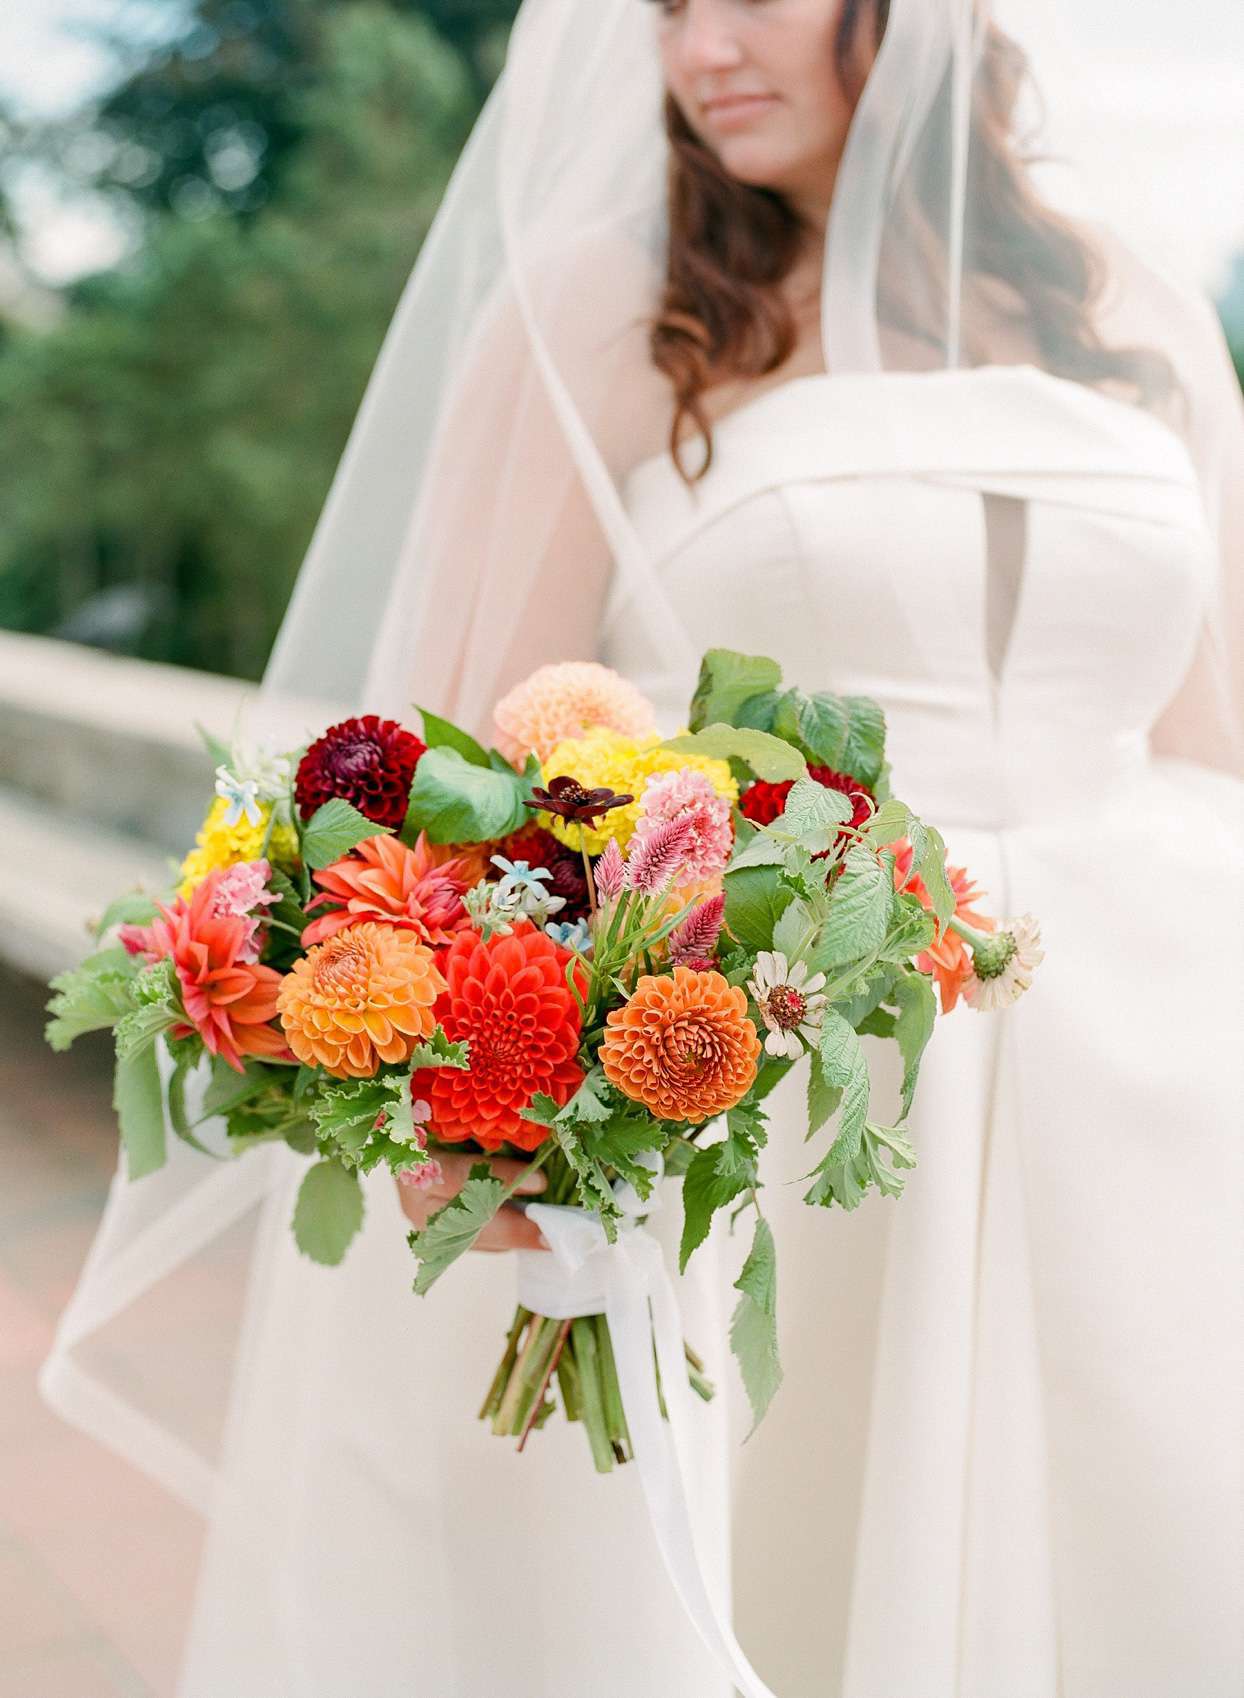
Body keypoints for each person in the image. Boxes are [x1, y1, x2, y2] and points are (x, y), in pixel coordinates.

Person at [41, 1, 1243, 1694]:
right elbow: (476, 759)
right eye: (666, 6)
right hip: (782, 1075)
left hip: (1159, 1066)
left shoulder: (1121, 308)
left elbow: (1208, 741)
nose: (701, 50)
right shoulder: (612, 309)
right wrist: (474, 1076)